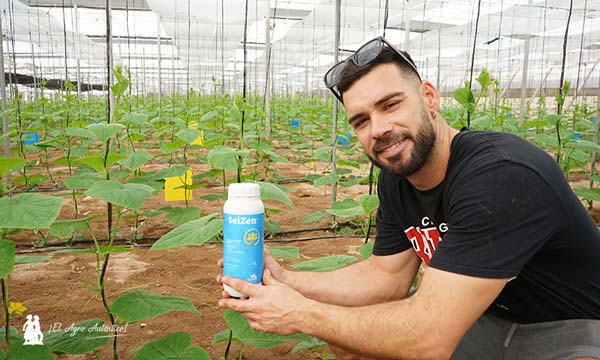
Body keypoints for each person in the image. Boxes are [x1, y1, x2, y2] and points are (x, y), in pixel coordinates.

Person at [218, 36, 600, 360]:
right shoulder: (398, 178)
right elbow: (384, 277)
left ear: (429, 98)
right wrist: (287, 280)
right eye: (361, 120)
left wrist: (302, 315)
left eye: (390, 105)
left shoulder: (501, 174)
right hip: (490, 315)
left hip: (573, 328)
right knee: (352, 341)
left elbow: (428, 336)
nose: (379, 129)